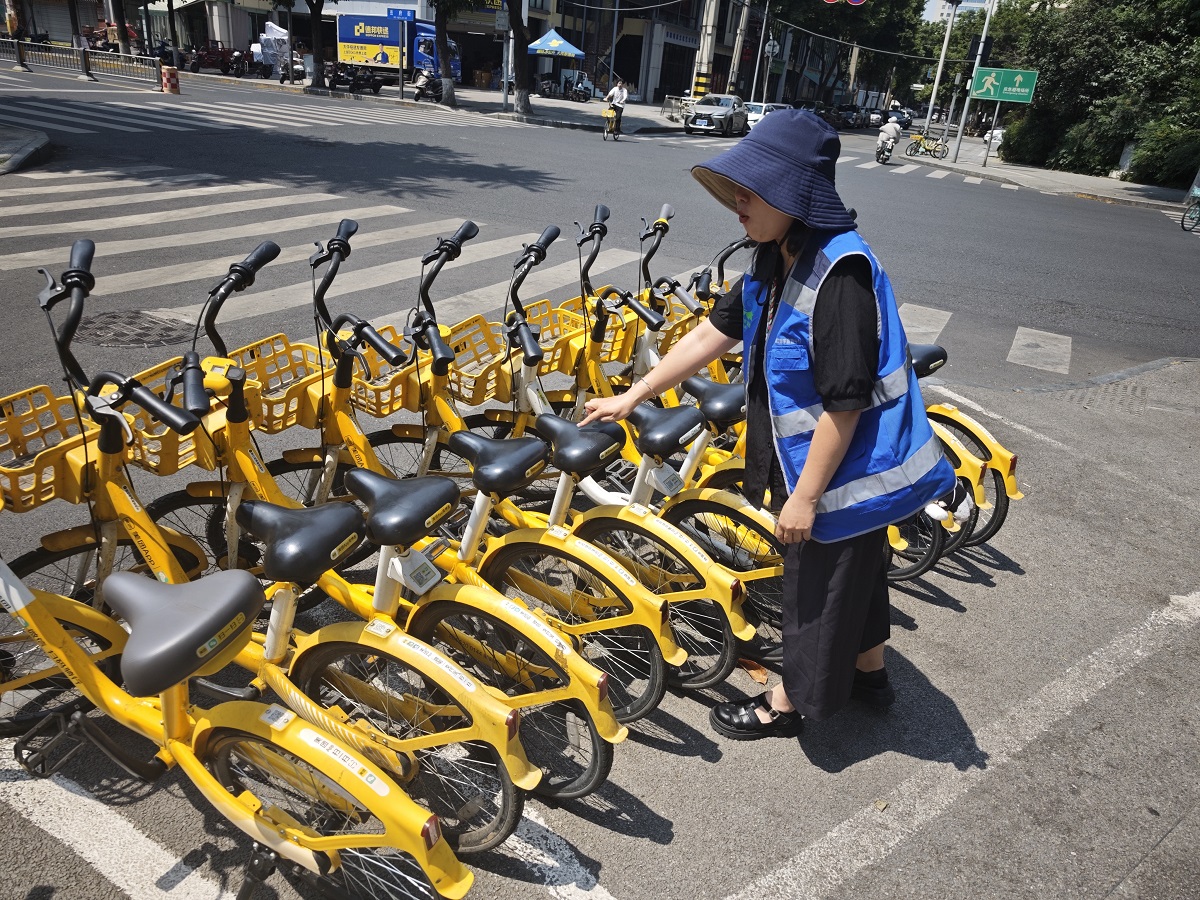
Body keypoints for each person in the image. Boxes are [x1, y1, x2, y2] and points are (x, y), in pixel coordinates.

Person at [580, 110, 956, 740]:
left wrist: (805, 499)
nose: (738, 203)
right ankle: (871, 676)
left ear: (794, 196)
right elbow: (714, 330)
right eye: (737, 189)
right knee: (852, 579)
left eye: (752, 192)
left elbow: (846, 405)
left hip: (842, 474)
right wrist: (637, 393)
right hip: (826, 466)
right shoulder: (776, 255)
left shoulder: (840, 276)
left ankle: (787, 704)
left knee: (813, 593)